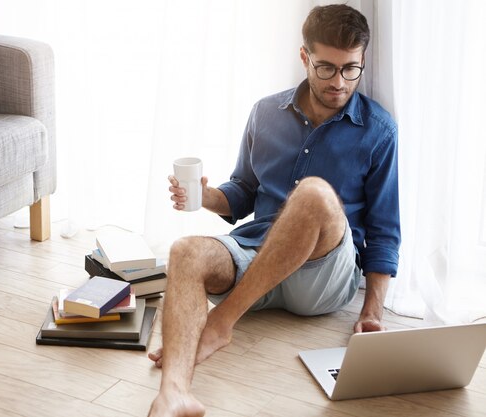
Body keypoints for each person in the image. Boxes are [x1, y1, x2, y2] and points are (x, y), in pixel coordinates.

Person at [147, 4, 400, 417]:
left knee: (315, 193)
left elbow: (385, 228)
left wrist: (371, 312)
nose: (339, 82)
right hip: (256, 258)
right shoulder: (265, 112)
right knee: (184, 251)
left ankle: (221, 324)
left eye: (350, 69)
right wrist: (207, 196)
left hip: (322, 275)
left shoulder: (379, 130)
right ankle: (173, 392)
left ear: (362, 61)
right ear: (304, 57)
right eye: (325, 68)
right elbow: (244, 192)